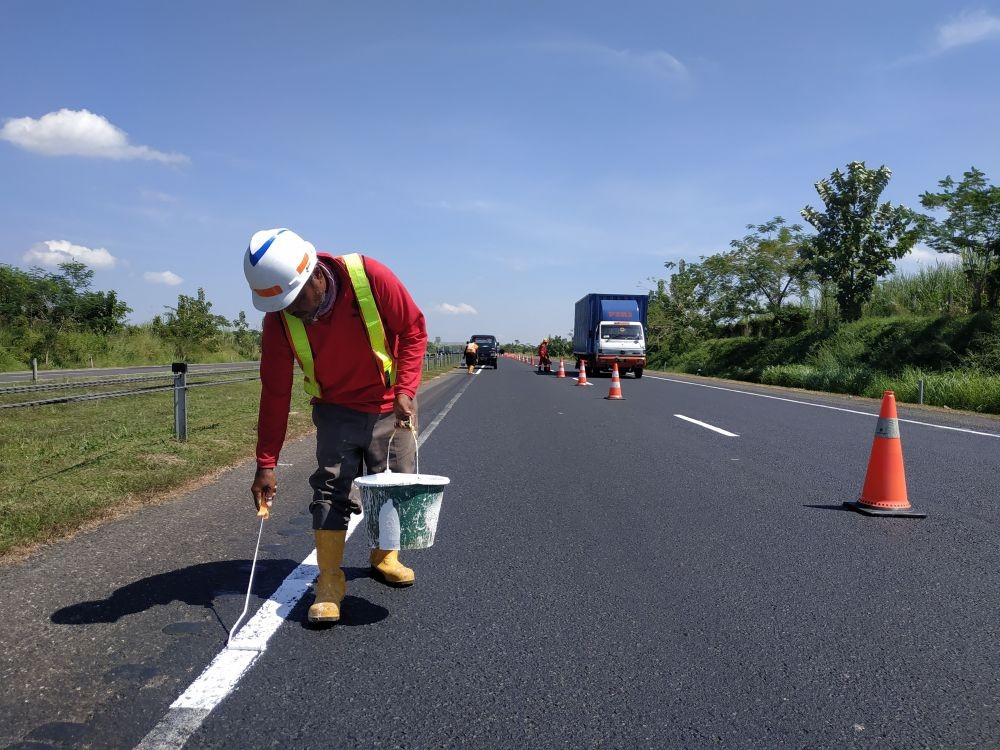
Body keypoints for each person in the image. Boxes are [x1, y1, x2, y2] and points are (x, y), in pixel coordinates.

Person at [243, 228, 427, 624]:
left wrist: (406, 389)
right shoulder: (280, 318)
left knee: (394, 486)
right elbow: (275, 390)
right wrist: (266, 462)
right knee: (329, 489)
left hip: (388, 405)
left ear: (316, 275)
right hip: (334, 410)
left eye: (296, 300)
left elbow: (412, 329)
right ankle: (329, 581)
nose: (292, 311)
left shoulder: (370, 277)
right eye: (282, 305)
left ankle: (384, 558)